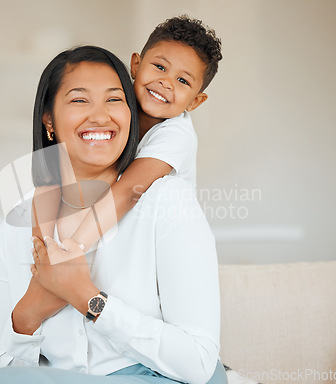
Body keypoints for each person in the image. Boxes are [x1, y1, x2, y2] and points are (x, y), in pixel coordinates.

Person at [0, 46, 227, 383]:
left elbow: (199, 363)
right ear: (49, 120)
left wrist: (88, 297)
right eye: (79, 100)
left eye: (114, 100)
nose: (100, 116)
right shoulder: (17, 226)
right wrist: (29, 312)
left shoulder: (168, 199)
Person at [32, 15, 223, 259]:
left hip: (164, 239)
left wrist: (74, 248)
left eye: (183, 80)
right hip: (116, 225)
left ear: (195, 102)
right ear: (135, 65)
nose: (166, 82)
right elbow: (54, 178)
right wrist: (43, 248)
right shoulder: (118, 109)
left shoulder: (177, 134)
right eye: (160, 67)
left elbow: (128, 190)